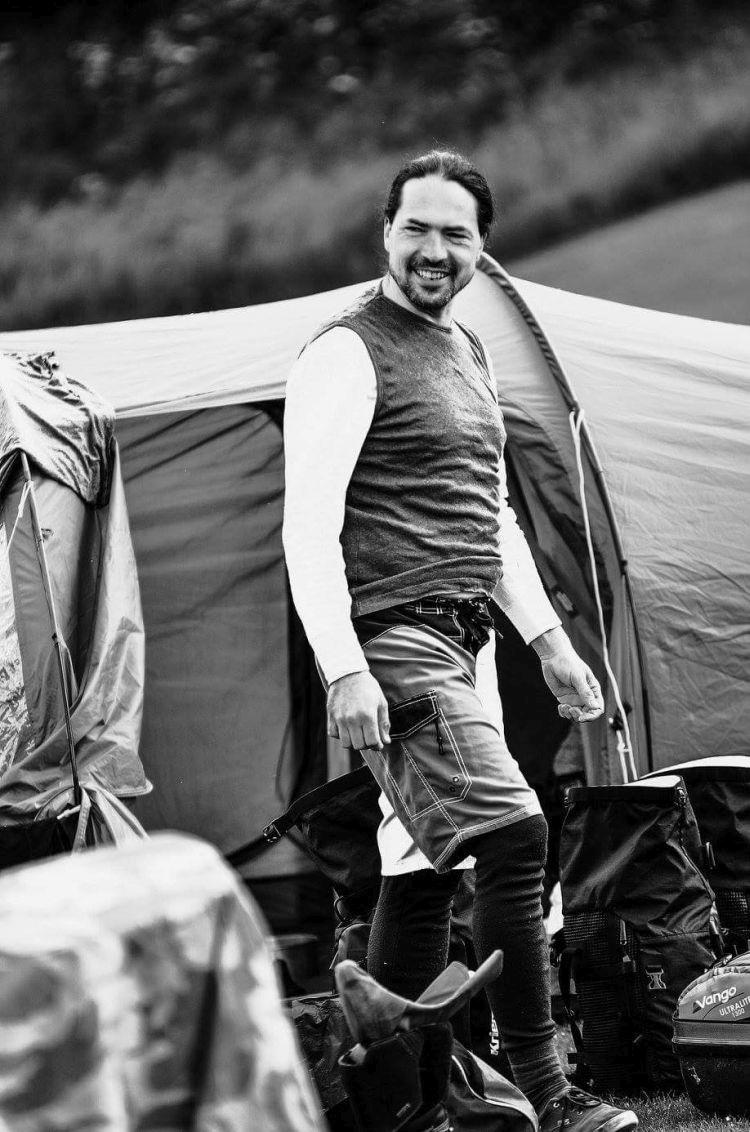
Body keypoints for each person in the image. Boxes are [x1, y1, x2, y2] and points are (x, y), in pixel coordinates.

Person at [283, 150, 638, 1132]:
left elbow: (492, 521)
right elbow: (305, 525)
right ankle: (552, 1092)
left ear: (482, 246)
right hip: (391, 644)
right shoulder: (346, 351)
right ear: (385, 232)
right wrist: (345, 665)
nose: (434, 250)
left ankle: (403, 1102)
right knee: (514, 837)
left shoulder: (467, 354)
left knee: (419, 868)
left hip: (465, 643)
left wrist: (552, 642)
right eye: (416, 228)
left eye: (457, 233)